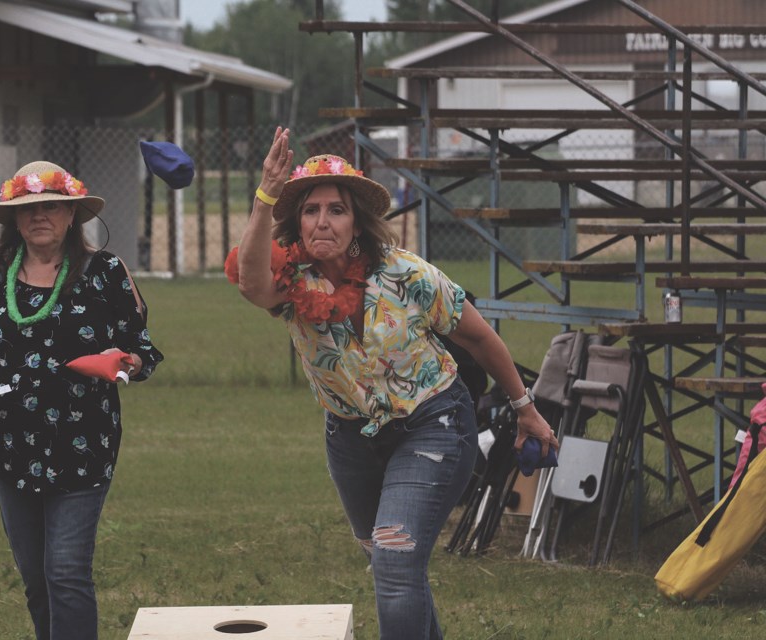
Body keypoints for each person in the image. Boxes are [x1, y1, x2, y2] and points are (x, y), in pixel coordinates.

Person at [226, 128, 558, 640]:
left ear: (356, 218)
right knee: (390, 562)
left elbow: (480, 339)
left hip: (434, 423)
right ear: (296, 221)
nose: (322, 221)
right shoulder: (290, 282)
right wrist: (266, 195)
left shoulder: (406, 275)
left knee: (395, 555)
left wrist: (524, 407)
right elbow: (251, 284)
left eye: (336, 209)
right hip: (350, 438)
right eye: (311, 210)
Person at [0, 160, 163, 640]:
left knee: (65, 573)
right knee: (36, 582)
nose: (39, 216)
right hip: (8, 447)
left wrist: (125, 360)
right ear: (13, 220)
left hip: (82, 445)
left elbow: (142, 350)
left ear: (72, 215)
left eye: (51, 207)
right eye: (27, 209)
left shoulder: (106, 272)